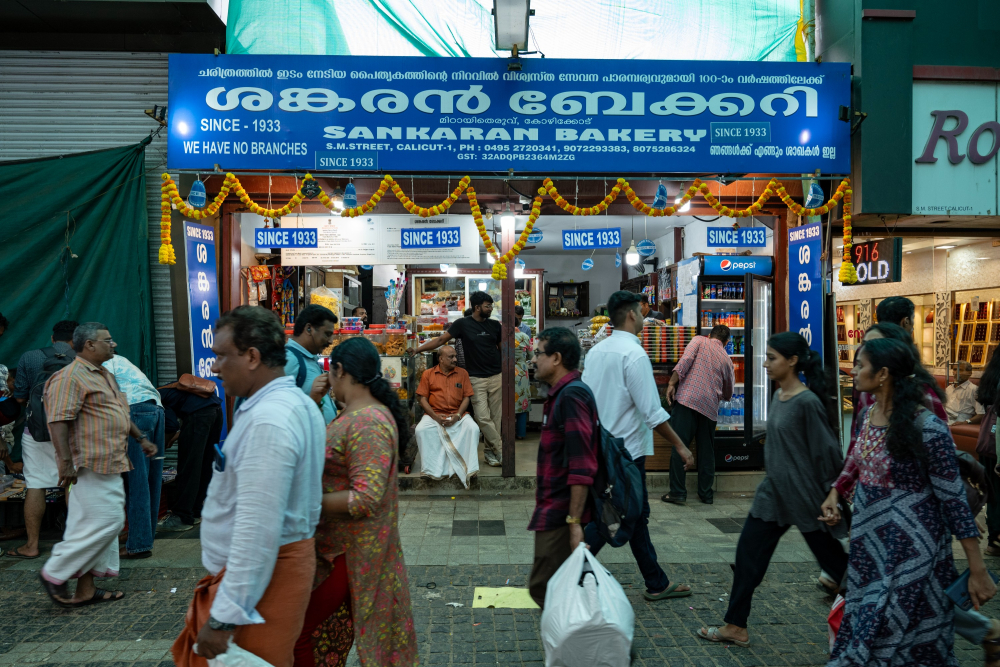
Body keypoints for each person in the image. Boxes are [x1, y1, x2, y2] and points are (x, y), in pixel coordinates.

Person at [823, 337, 996, 667]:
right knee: (871, 628)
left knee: (900, 636)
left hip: (913, 554)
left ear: (884, 373)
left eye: (861, 365)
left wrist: (977, 567)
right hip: (869, 547)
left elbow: (954, 502)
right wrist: (835, 492)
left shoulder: (927, 427)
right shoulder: (867, 414)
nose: (854, 371)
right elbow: (858, 458)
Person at [172, 307, 325, 667]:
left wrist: (226, 615)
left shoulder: (270, 420)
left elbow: (258, 530)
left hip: (264, 583)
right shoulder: (291, 405)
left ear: (252, 357)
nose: (213, 367)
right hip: (269, 574)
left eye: (222, 356)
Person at [696, 332, 847, 648]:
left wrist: (833, 497)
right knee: (748, 557)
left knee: (841, 569)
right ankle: (735, 625)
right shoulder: (779, 396)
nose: (765, 363)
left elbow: (828, 455)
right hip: (773, 497)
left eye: (771, 357)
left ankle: (882, 618)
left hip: (807, 501)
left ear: (792, 361)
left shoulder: (807, 403)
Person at [293, 337, 418, 666]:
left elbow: (366, 497)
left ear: (339, 370)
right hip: (341, 550)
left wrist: (307, 502)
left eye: (329, 373)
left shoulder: (366, 422)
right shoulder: (359, 414)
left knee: (297, 632)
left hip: (349, 554)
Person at [581, 290, 694, 601]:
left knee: (634, 514)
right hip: (626, 453)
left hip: (601, 447)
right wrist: (682, 448)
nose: (645, 318)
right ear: (632, 314)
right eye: (642, 313)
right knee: (617, 516)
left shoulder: (596, 352)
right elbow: (652, 413)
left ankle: (656, 582)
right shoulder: (634, 354)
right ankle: (568, 570)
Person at [37, 323, 158, 606]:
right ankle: (54, 573)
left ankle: (85, 591)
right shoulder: (70, 377)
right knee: (109, 521)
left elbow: (118, 411)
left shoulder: (104, 374)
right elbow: (58, 421)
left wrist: (141, 438)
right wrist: (65, 462)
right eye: (107, 340)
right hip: (89, 465)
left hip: (110, 461)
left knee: (87, 526)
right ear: (89, 345)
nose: (113, 344)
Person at [528, 327, 599, 608]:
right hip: (553, 508)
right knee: (554, 591)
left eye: (538, 353)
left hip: (561, 514)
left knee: (546, 591)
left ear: (556, 358)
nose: (533, 359)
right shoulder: (560, 395)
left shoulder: (571, 396)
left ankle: (586, 648)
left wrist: (574, 523)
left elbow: (582, 464)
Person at [6, 319, 77, 560]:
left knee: (35, 485)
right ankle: (73, 543)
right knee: (71, 484)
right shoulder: (82, 358)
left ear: (52, 338)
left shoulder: (30, 357)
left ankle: (32, 545)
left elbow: (19, 398)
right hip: (71, 431)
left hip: (35, 432)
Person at [416, 291, 503, 467]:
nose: (491, 308)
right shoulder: (462, 324)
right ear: (477, 307)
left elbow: (501, 349)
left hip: (496, 376)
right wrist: (418, 350)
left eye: (491, 305)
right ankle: (501, 449)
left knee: (496, 418)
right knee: (483, 417)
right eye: (487, 306)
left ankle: (490, 453)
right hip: (475, 378)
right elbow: (441, 340)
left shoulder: (495, 325)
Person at [662, 324, 735, 505]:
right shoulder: (727, 359)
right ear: (726, 342)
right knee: (706, 451)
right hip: (709, 408)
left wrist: (671, 384)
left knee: (680, 445)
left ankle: (678, 493)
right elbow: (728, 392)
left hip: (687, 400)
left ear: (709, 335)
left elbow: (685, 362)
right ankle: (706, 494)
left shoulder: (698, 341)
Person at [103, 353, 164, 559]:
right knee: (150, 481)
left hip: (134, 411)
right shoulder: (118, 360)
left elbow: (113, 398)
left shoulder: (96, 364)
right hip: (155, 408)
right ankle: (142, 537)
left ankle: (138, 544)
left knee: (136, 482)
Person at [158, 384, 223, 532]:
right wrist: (172, 439)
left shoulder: (155, 397)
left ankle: (181, 516)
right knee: (204, 464)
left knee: (189, 466)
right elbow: (179, 429)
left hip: (199, 413)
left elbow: (171, 425)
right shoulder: (165, 390)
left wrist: (164, 443)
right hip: (216, 411)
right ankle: (195, 511)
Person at [414, 345, 480, 487]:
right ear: (441, 359)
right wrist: (435, 417)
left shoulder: (462, 373)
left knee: (473, 429)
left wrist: (457, 415)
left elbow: (467, 398)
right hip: (434, 415)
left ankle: (470, 469)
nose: (455, 359)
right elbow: (422, 399)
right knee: (421, 430)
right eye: (451, 357)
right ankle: (430, 470)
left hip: (458, 415)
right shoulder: (428, 374)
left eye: (455, 356)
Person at [285, 304, 339, 424]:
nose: (330, 341)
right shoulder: (290, 360)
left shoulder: (310, 358)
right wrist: (313, 400)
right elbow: (281, 412)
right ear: (309, 329)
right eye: (327, 334)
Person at [977, 351, 1000, 557]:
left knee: (994, 495)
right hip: (998, 447)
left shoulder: (989, 378)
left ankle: (994, 542)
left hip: (986, 442)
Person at [946, 360, 983, 425]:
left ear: (969, 373)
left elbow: (981, 414)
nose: (956, 372)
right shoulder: (949, 388)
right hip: (944, 417)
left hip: (958, 420)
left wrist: (966, 422)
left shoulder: (974, 390)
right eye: (954, 369)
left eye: (960, 370)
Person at [514, 324, 532, 439]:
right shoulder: (524, 336)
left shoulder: (502, 335)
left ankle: (505, 432)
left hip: (505, 370)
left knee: (505, 402)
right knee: (522, 401)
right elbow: (531, 355)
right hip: (521, 371)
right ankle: (521, 433)